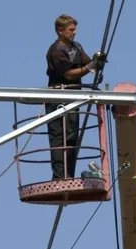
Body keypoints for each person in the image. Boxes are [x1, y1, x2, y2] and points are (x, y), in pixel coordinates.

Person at [45, 14, 106, 180]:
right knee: (59, 138)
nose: (74, 32)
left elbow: (86, 62)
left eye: (75, 29)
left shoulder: (75, 47)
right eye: (71, 30)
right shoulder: (56, 51)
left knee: (71, 137)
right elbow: (68, 74)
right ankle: (60, 177)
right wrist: (90, 67)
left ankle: (69, 175)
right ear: (60, 31)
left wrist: (97, 61)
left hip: (72, 97)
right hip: (58, 98)